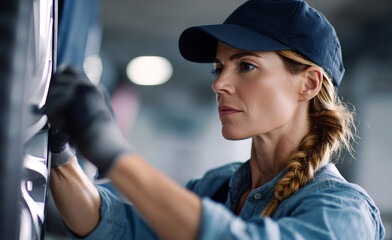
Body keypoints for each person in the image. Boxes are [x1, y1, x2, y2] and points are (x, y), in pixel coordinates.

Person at [46, 0, 385, 239]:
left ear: (308, 83)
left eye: (246, 66)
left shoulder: (343, 212)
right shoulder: (217, 187)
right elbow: (116, 226)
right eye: (219, 68)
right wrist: (61, 149)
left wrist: (115, 154)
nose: (219, 83)